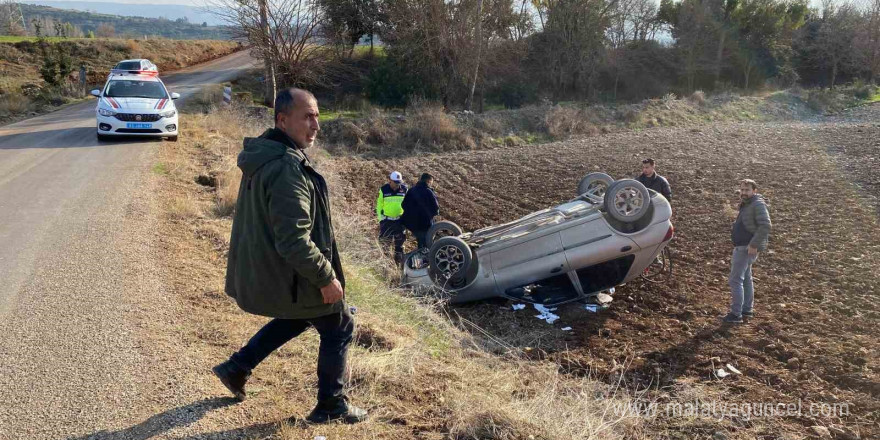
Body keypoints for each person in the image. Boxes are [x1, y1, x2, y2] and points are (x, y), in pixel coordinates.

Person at [212, 88, 367, 424]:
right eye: (307, 116)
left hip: (276, 270)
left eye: (317, 116)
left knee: (303, 315)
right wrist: (326, 277)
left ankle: (237, 367)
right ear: (282, 120)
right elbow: (294, 238)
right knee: (339, 322)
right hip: (289, 271)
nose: (315, 125)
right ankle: (331, 405)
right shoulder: (285, 167)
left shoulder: (269, 155)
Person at [724, 179, 772, 324]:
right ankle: (746, 310)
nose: (744, 193)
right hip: (744, 246)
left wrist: (753, 244)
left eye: (747, 190)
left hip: (746, 247)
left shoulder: (757, 204)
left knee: (735, 280)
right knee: (746, 278)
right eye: (742, 190)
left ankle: (736, 314)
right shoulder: (748, 204)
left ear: (754, 191)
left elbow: (766, 226)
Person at [401, 173, 440, 249]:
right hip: (425, 224)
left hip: (412, 224)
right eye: (431, 182)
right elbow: (436, 209)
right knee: (426, 245)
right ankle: (425, 258)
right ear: (428, 181)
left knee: (420, 241)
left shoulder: (411, 190)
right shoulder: (429, 192)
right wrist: (430, 216)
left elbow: (403, 205)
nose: (431, 184)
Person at [376, 171, 408, 264]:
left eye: (399, 183)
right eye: (396, 183)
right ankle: (386, 264)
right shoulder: (383, 190)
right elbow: (379, 205)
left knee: (400, 245)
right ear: (390, 180)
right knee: (385, 244)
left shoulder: (405, 189)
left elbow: (408, 204)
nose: (398, 185)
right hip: (387, 221)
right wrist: (380, 218)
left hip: (400, 221)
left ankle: (399, 263)